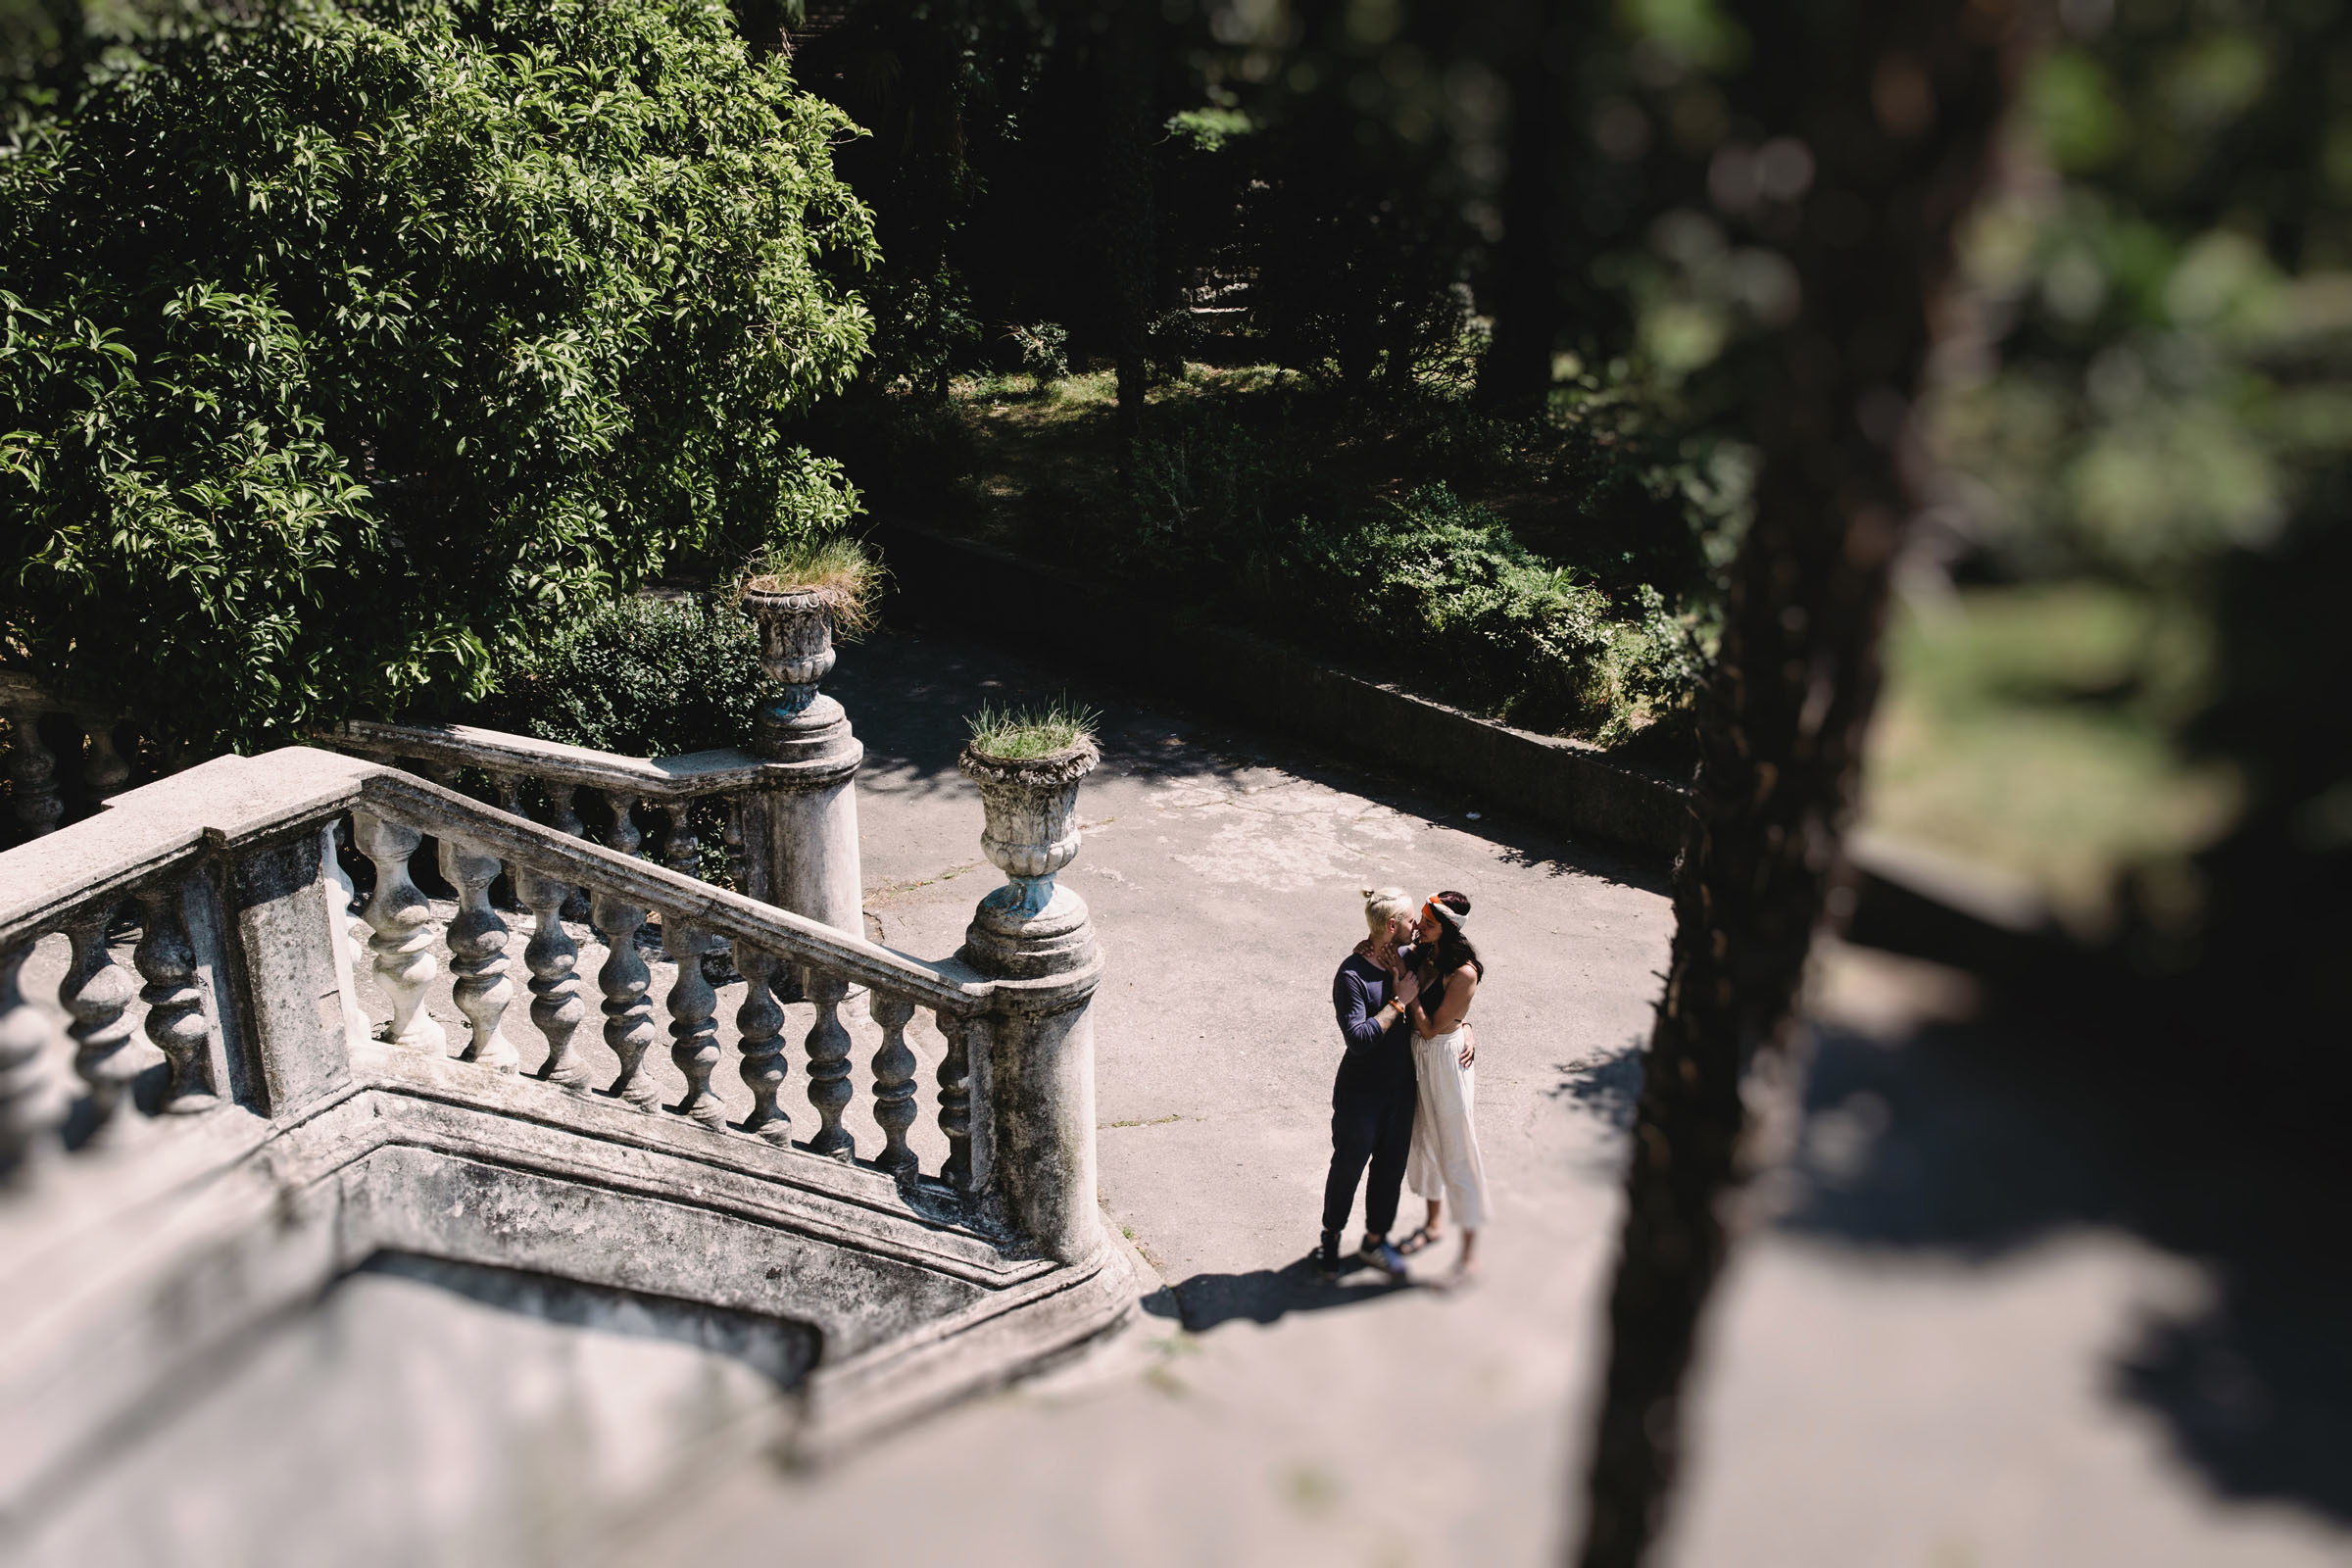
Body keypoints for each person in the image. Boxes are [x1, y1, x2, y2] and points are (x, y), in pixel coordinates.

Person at [1317, 887, 1422, 1281]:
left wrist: (1464, 1027)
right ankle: (1331, 1237)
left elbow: (1449, 989)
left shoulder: (1409, 957)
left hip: (1401, 1090)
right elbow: (1358, 1039)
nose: (1416, 926)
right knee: (1347, 1168)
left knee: (1389, 1171)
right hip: (1361, 1095)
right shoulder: (1351, 975)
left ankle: (1374, 1242)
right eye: (1411, 920)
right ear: (1392, 925)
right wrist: (1398, 1003)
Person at [1398, 890, 1491, 1286]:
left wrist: (1408, 991)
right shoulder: (1425, 951)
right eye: (1420, 918)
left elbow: (1433, 1026)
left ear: (1449, 929)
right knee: (1425, 1139)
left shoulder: (1464, 972)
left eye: (1429, 922)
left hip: (1444, 1059)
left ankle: (1470, 1254)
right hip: (1418, 1055)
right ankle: (1434, 1225)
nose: (1419, 926)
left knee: (1457, 1148)